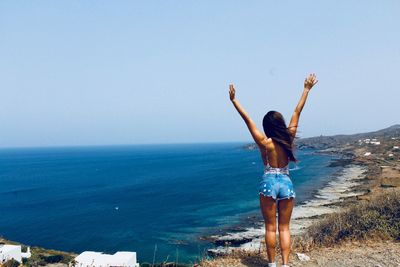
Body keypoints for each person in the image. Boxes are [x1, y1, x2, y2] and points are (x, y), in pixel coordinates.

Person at [229, 74, 318, 267]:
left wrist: (234, 100)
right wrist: (306, 89)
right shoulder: (288, 139)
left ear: (267, 127)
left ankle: (272, 265)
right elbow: (297, 111)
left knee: (270, 228)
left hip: (269, 183)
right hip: (286, 183)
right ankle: (285, 264)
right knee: (284, 228)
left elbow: (247, 119)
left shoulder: (264, 143)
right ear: (280, 124)